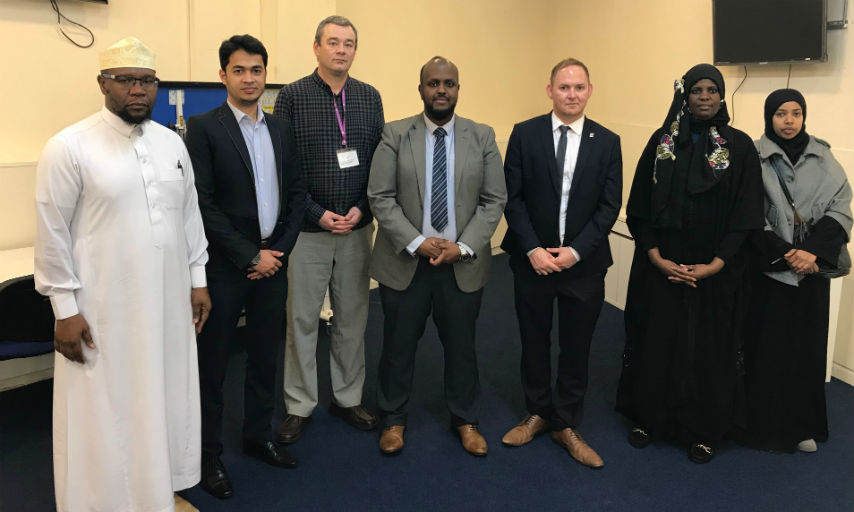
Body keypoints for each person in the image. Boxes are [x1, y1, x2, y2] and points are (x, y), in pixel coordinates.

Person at [34, 36, 209, 512]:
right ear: (103, 83)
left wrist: (198, 279)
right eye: (126, 80)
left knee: (162, 397)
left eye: (147, 81)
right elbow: (51, 235)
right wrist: (64, 310)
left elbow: (189, 217)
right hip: (104, 310)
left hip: (169, 304)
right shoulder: (69, 146)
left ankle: (157, 494)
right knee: (107, 409)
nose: (138, 90)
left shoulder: (172, 142)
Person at [615, 63, 764, 463]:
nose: (703, 96)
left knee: (708, 350)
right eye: (695, 89)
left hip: (716, 274)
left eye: (711, 89)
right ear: (684, 95)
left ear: (721, 96)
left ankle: (703, 429)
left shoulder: (740, 147)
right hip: (660, 269)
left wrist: (716, 264)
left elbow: (747, 215)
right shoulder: (662, 142)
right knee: (657, 342)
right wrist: (656, 257)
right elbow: (639, 208)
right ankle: (650, 419)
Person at [185, 34, 305, 499]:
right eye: (239, 70)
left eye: (256, 70)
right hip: (226, 267)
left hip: (273, 262)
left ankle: (259, 437)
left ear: (265, 74)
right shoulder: (204, 127)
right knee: (213, 364)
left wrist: (278, 253)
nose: (249, 78)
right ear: (223, 75)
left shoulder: (280, 128)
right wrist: (249, 255)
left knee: (264, 357)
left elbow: (297, 195)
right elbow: (203, 203)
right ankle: (208, 453)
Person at [368, 56, 507, 456]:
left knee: (462, 346)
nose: (441, 90)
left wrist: (460, 247)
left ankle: (465, 418)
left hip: (460, 264)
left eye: (449, 83)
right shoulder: (395, 134)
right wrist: (417, 241)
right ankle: (393, 419)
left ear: (458, 89)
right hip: (405, 261)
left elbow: (493, 199)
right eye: (433, 83)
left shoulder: (481, 136)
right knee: (397, 345)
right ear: (421, 89)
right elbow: (381, 196)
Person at [500, 58, 622, 469]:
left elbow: (608, 207)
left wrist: (575, 252)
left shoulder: (607, 141)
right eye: (564, 87)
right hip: (530, 261)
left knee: (577, 346)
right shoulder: (524, 134)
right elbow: (511, 199)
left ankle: (566, 423)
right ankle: (537, 413)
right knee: (534, 341)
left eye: (579, 87)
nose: (572, 94)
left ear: (590, 91)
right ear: (549, 90)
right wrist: (533, 248)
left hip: (582, 266)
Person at [273, 15, 384, 443]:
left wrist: (361, 208)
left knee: (352, 318)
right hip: (307, 230)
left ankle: (348, 396)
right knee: (301, 320)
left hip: (356, 229)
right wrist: (317, 212)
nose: (341, 50)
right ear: (316, 47)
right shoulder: (293, 98)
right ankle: (299, 404)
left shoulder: (369, 97)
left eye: (349, 43)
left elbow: (379, 162)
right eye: (333, 42)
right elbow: (286, 166)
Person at [739, 89, 852, 453]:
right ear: (768, 117)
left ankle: (802, 426)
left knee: (806, 352)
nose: (788, 120)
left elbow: (841, 207)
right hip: (768, 272)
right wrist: (788, 253)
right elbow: (749, 216)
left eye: (796, 113)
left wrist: (811, 253)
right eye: (780, 114)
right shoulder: (751, 158)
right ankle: (760, 426)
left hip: (811, 274)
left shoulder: (824, 156)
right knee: (766, 349)